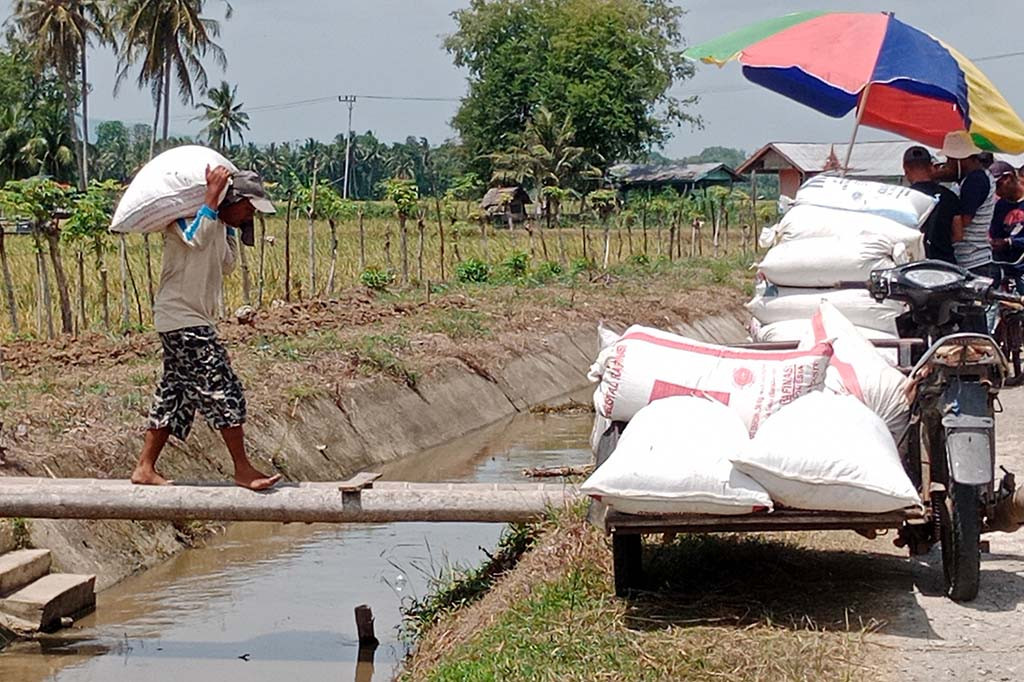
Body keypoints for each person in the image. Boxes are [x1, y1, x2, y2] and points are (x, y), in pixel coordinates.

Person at [132, 165, 282, 490]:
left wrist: (232, 226)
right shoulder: (186, 219)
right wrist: (212, 197)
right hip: (182, 319)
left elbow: (226, 264)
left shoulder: (218, 224)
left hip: (192, 320)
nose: (250, 214)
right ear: (233, 198)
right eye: (247, 207)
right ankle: (242, 469)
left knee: (175, 393)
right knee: (225, 390)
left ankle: (145, 467)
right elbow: (196, 239)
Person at [902, 145, 959, 264]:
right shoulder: (949, 196)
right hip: (945, 264)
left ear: (905, 169)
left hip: (914, 265)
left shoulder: (902, 198)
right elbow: (958, 234)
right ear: (930, 167)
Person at [988, 160, 1024, 292]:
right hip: (1006, 267)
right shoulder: (1000, 205)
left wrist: (1010, 242)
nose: (996, 191)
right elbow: (996, 232)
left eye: (998, 185)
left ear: (1008, 178)